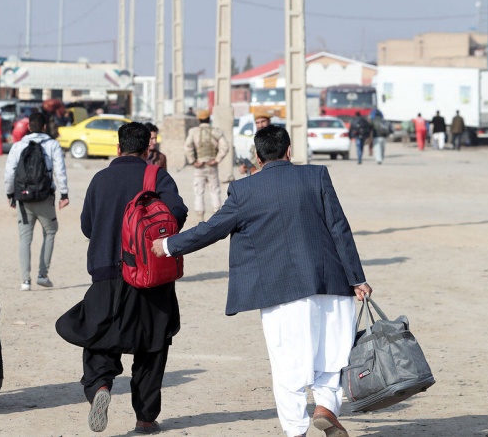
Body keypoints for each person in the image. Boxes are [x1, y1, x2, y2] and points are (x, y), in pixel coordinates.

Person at [151, 125, 372, 437]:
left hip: (281, 290)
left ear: (256, 156)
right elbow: (339, 227)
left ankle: (296, 430)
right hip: (331, 283)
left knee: (288, 364)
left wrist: (170, 245)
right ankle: (325, 407)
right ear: (289, 151)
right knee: (331, 356)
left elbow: (212, 229)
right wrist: (357, 278)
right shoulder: (317, 175)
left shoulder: (244, 191)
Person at [55, 122, 187, 434]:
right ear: (147, 149)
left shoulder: (100, 179)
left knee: (99, 338)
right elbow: (176, 214)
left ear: (117, 148)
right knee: (152, 344)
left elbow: (88, 226)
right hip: (149, 274)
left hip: (105, 272)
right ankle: (145, 417)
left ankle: (100, 386)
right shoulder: (156, 177)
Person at [4, 112, 69, 291]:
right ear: (45, 127)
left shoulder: (18, 146)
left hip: (23, 199)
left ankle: (25, 281)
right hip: (44, 197)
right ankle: (42, 274)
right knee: (50, 231)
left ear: (29, 127)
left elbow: (10, 173)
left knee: (25, 237)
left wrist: (10, 194)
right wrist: (64, 194)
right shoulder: (53, 144)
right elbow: (60, 170)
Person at [184, 110, 229, 222]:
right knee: (214, 190)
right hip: (212, 166)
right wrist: (217, 159)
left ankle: (200, 218)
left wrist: (193, 161)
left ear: (199, 120)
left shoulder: (194, 131)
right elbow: (225, 146)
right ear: (209, 119)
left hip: (199, 166)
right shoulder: (216, 131)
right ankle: (217, 218)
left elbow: (187, 146)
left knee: (198, 192)